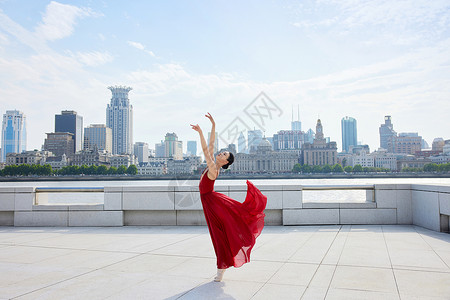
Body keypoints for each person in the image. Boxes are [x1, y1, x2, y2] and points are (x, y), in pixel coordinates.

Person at [190, 112, 267, 282]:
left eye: (224, 155)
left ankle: (221, 269)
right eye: (223, 152)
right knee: (220, 235)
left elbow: (206, 148)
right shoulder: (213, 165)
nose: (221, 153)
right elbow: (210, 146)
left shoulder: (213, 168)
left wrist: (203, 131)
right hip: (211, 201)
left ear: (225, 163)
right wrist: (211, 126)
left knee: (219, 236)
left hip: (213, 204)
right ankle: (222, 268)